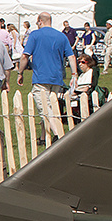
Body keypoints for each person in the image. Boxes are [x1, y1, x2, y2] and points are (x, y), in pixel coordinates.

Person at [18, 12, 76, 144]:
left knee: (45, 108)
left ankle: (58, 135)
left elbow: (25, 56)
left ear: (39, 21)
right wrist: (74, 75)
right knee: (50, 106)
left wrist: (20, 72)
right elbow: (71, 57)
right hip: (57, 77)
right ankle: (43, 137)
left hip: (41, 77)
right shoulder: (61, 36)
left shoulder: (35, 35)